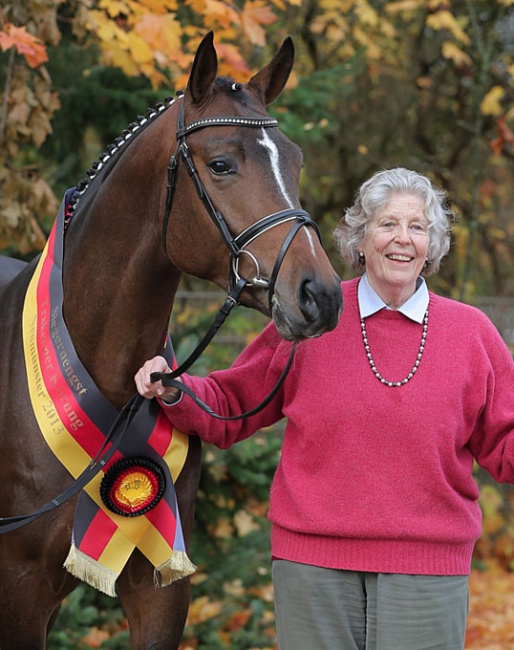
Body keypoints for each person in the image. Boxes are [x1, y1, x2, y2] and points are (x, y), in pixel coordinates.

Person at [135, 167, 514, 650]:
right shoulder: (313, 315)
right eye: (387, 224)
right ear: (361, 238)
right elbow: (234, 403)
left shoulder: (471, 333)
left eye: (418, 227)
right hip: (313, 570)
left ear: (433, 244)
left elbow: (505, 443)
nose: (403, 239)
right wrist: (174, 391)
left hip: (427, 572)